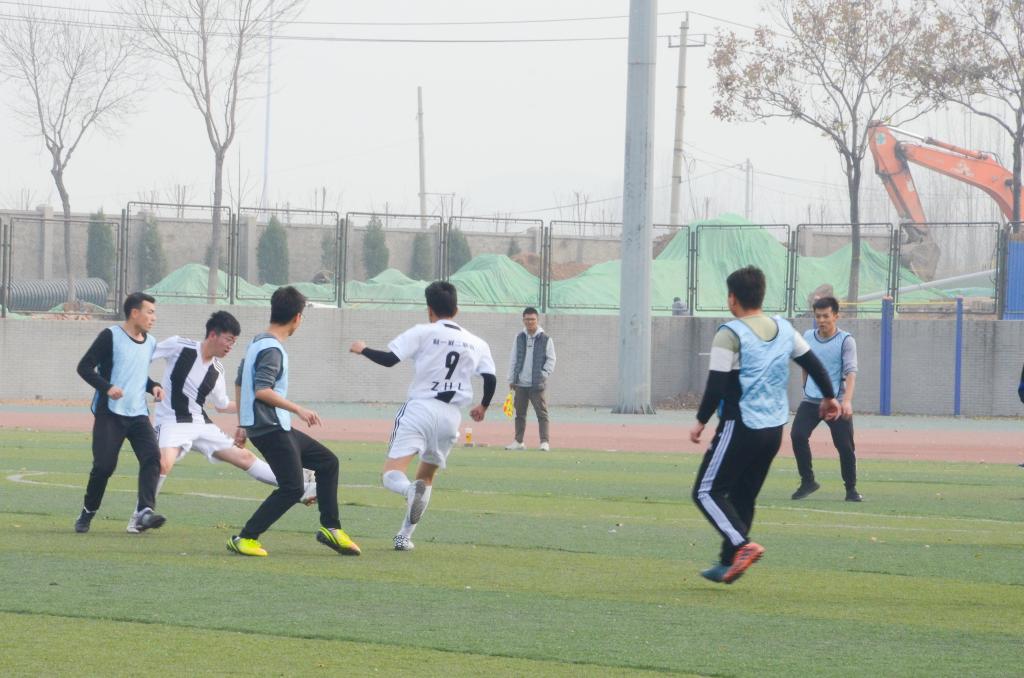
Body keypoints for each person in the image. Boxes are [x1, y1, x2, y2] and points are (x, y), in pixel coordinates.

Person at [689, 266, 840, 584]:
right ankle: (727, 562)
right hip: (773, 430)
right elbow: (814, 364)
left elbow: (716, 386)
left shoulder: (729, 334)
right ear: (761, 294)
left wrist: (700, 421)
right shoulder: (785, 329)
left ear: (732, 298)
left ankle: (741, 545)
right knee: (743, 495)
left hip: (741, 425)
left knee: (706, 491)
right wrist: (830, 397)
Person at [131, 311, 316, 533]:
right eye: (228, 340)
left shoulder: (217, 370)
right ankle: (139, 517)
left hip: (201, 424)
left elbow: (222, 404)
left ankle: (301, 486)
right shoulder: (179, 346)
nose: (230, 346)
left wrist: (251, 404)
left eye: (234, 342)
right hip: (171, 421)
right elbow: (141, 356)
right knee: (163, 463)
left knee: (245, 457)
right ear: (213, 334)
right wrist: (149, 384)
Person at [350, 281, 496, 551]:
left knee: (392, 473)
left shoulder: (423, 331)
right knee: (426, 477)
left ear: (429, 310)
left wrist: (363, 349)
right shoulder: (477, 342)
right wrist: (483, 406)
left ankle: (408, 491)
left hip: (420, 408)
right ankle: (403, 537)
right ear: (456, 309)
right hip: (451, 417)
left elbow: (390, 359)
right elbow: (490, 378)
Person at [228, 286, 360, 557]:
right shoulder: (272, 349)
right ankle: (246, 537)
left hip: (270, 426)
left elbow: (240, 381)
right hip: (270, 428)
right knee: (292, 488)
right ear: (297, 318)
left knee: (327, 462)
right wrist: (299, 409)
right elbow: (262, 390)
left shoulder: (256, 342)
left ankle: (331, 529)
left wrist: (243, 423)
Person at [74, 292, 167, 534]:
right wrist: (107, 387)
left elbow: (137, 374)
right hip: (110, 413)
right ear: (134, 313)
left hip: (138, 414)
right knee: (104, 467)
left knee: (152, 457)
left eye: (154, 313)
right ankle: (87, 512)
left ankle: (144, 512)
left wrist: (154, 386)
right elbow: (84, 367)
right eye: (150, 312)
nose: (154, 318)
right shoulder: (110, 336)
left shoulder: (150, 342)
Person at [790, 296, 862, 502]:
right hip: (811, 399)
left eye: (826, 316)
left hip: (836, 403)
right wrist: (806, 387)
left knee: (845, 446)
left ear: (836, 316)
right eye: (818, 316)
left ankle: (851, 489)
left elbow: (851, 373)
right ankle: (808, 481)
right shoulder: (808, 336)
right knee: (797, 435)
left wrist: (846, 401)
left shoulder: (846, 341)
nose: (821, 320)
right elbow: (805, 364)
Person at [504, 307, 556, 451]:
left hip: (536, 384)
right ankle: (518, 441)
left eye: (532, 319)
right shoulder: (519, 337)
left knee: (542, 414)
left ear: (537, 320)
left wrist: (543, 374)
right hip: (520, 384)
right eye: (527, 319)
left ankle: (544, 442)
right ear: (523, 320)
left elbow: (551, 359)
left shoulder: (546, 339)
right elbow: (513, 358)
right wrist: (511, 379)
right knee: (519, 414)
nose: (530, 322)